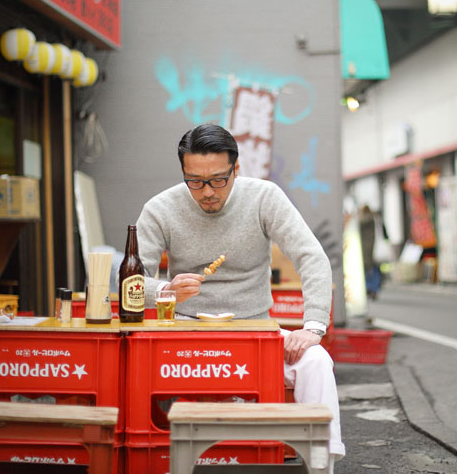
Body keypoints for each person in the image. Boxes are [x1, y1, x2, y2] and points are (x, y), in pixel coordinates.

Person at [135, 123, 345, 463]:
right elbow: (130, 282)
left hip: (256, 333)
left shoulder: (264, 197)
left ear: (237, 169)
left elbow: (312, 256)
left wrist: (313, 327)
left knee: (317, 361)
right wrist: (166, 290)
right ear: (183, 173)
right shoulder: (160, 209)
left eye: (219, 179)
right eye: (195, 181)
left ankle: (320, 463)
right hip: (186, 339)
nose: (207, 192)